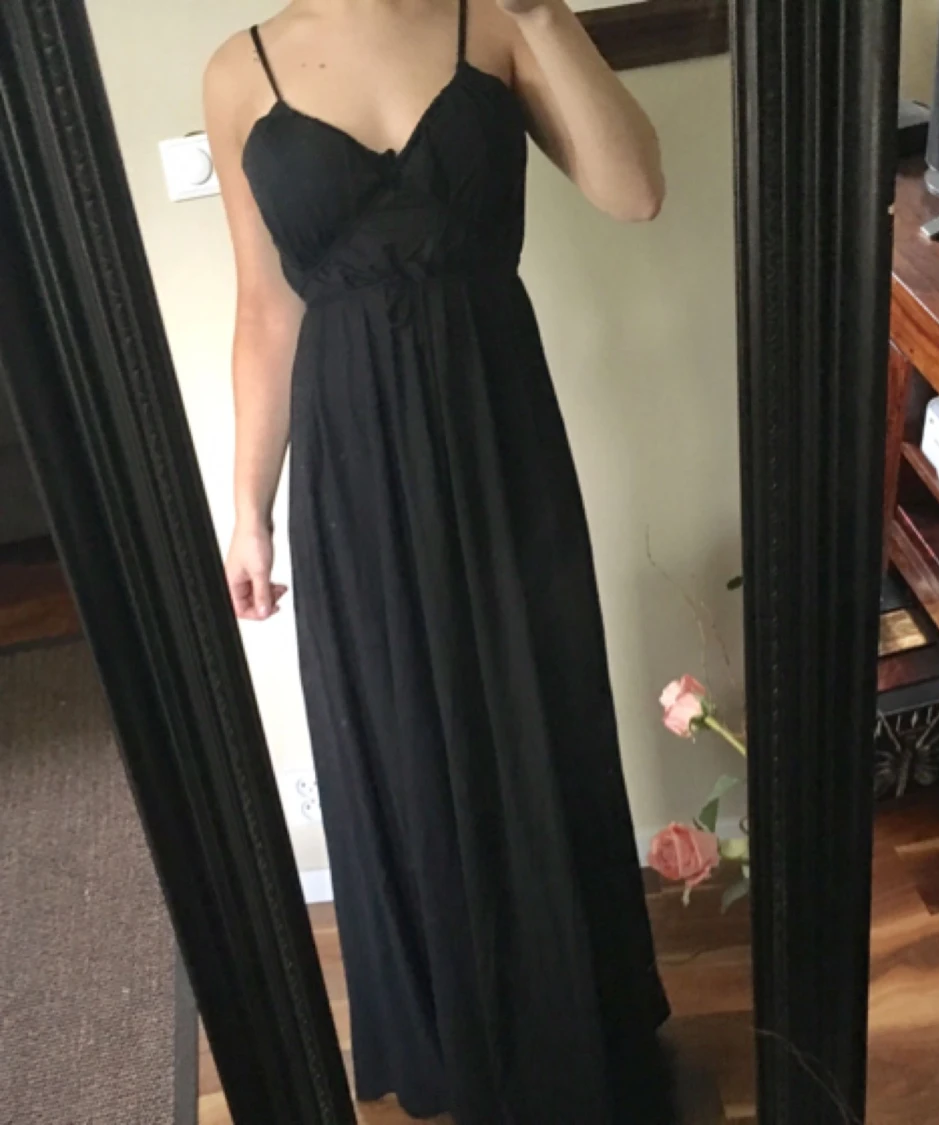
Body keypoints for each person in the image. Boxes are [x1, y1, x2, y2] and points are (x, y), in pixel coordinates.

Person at [203, 0, 672, 1120]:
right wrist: (248, 508)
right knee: (399, 731)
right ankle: (451, 1036)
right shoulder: (239, 71)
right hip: (350, 460)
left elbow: (637, 193)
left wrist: (543, 13)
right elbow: (265, 311)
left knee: (536, 708)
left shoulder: (497, 21)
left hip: (498, 432)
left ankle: (577, 1018)